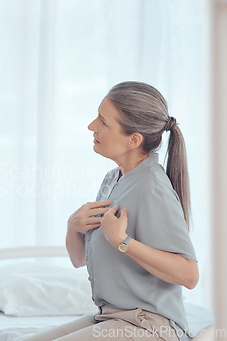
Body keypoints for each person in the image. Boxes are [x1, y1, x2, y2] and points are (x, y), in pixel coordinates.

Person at [27, 81, 199, 341]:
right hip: (112, 316)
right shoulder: (113, 179)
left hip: (150, 325)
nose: (91, 126)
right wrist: (72, 227)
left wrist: (123, 241)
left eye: (104, 122)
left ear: (134, 140)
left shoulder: (152, 186)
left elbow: (189, 275)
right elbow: (79, 260)